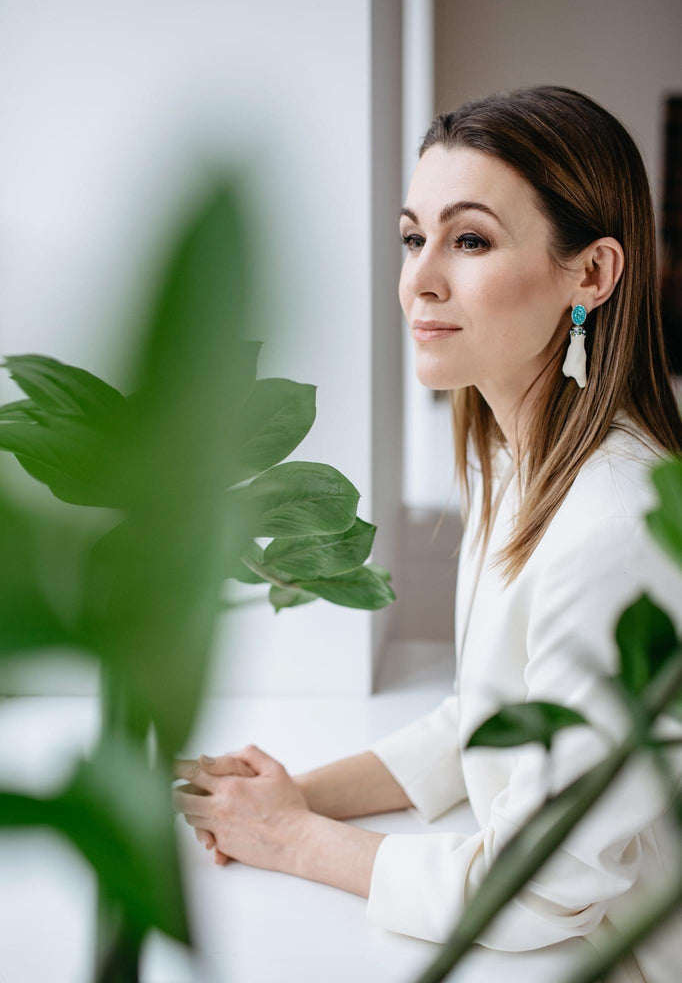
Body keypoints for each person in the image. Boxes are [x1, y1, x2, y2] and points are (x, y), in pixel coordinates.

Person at [172, 85, 682, 982]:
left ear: (592, 274)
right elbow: (492, 718)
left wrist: (294, 841)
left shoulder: (614, 525)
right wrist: (294, 795)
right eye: (415, 238)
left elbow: (542, 887)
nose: (421, 280)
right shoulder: (512, 455)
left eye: (470, 239)